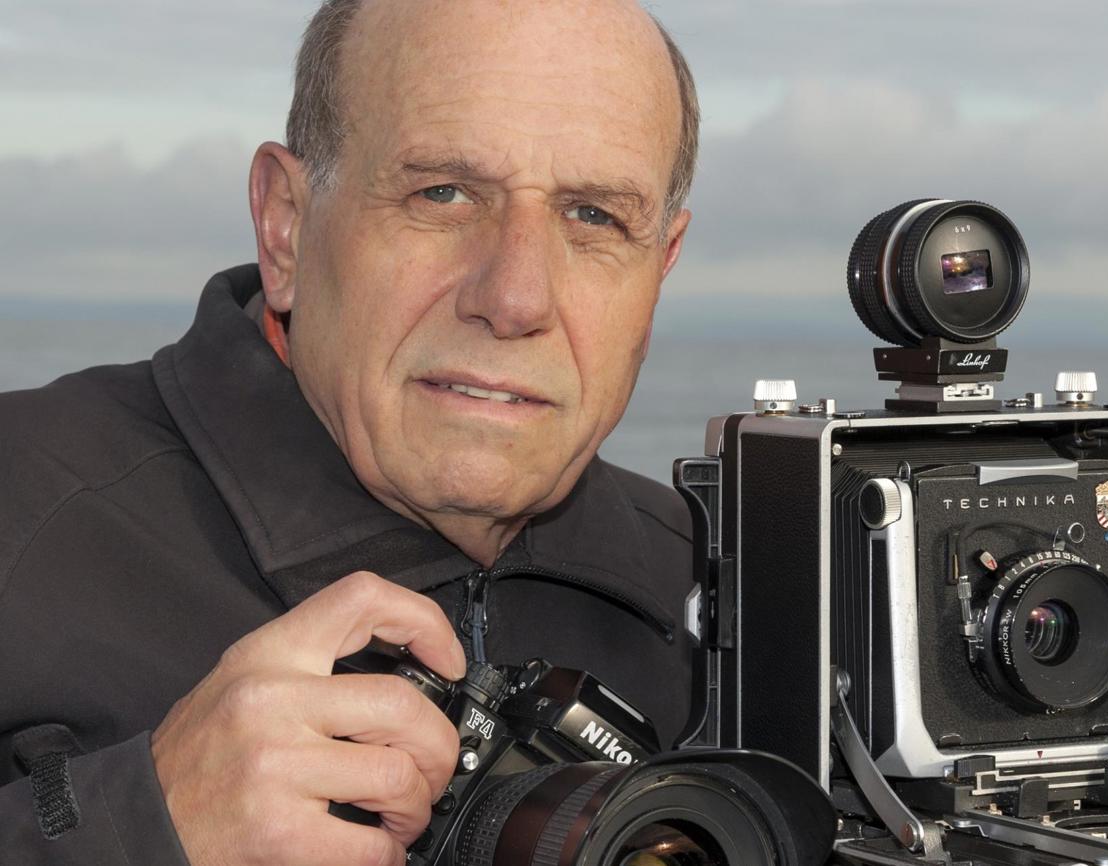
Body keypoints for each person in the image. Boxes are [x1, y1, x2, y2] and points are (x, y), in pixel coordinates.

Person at [0, 0, 700, 863]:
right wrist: (136, 824)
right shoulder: (18, 503)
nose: (516, 298)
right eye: (442, 193)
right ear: (286, 225)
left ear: (661, 265)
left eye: (594, 217)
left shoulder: (731, 592)